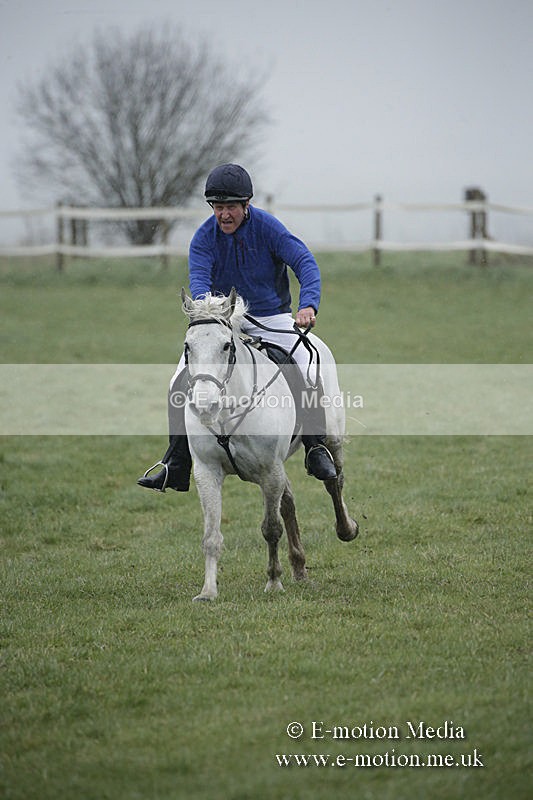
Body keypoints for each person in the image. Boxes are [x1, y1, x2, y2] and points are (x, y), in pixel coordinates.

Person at [138, 163, 337, 492]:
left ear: (247, 205)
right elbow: (199, 283)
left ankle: (315, 446)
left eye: (231, 206)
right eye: (217, 206)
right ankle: (176, 462)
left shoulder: (268, 228)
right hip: (224, 320)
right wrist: (210, 312)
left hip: (272, 318)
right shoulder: (203, 238)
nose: (224, 214)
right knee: (178, 381)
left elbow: (304, 262)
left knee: (305, 363)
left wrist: (308, 305)